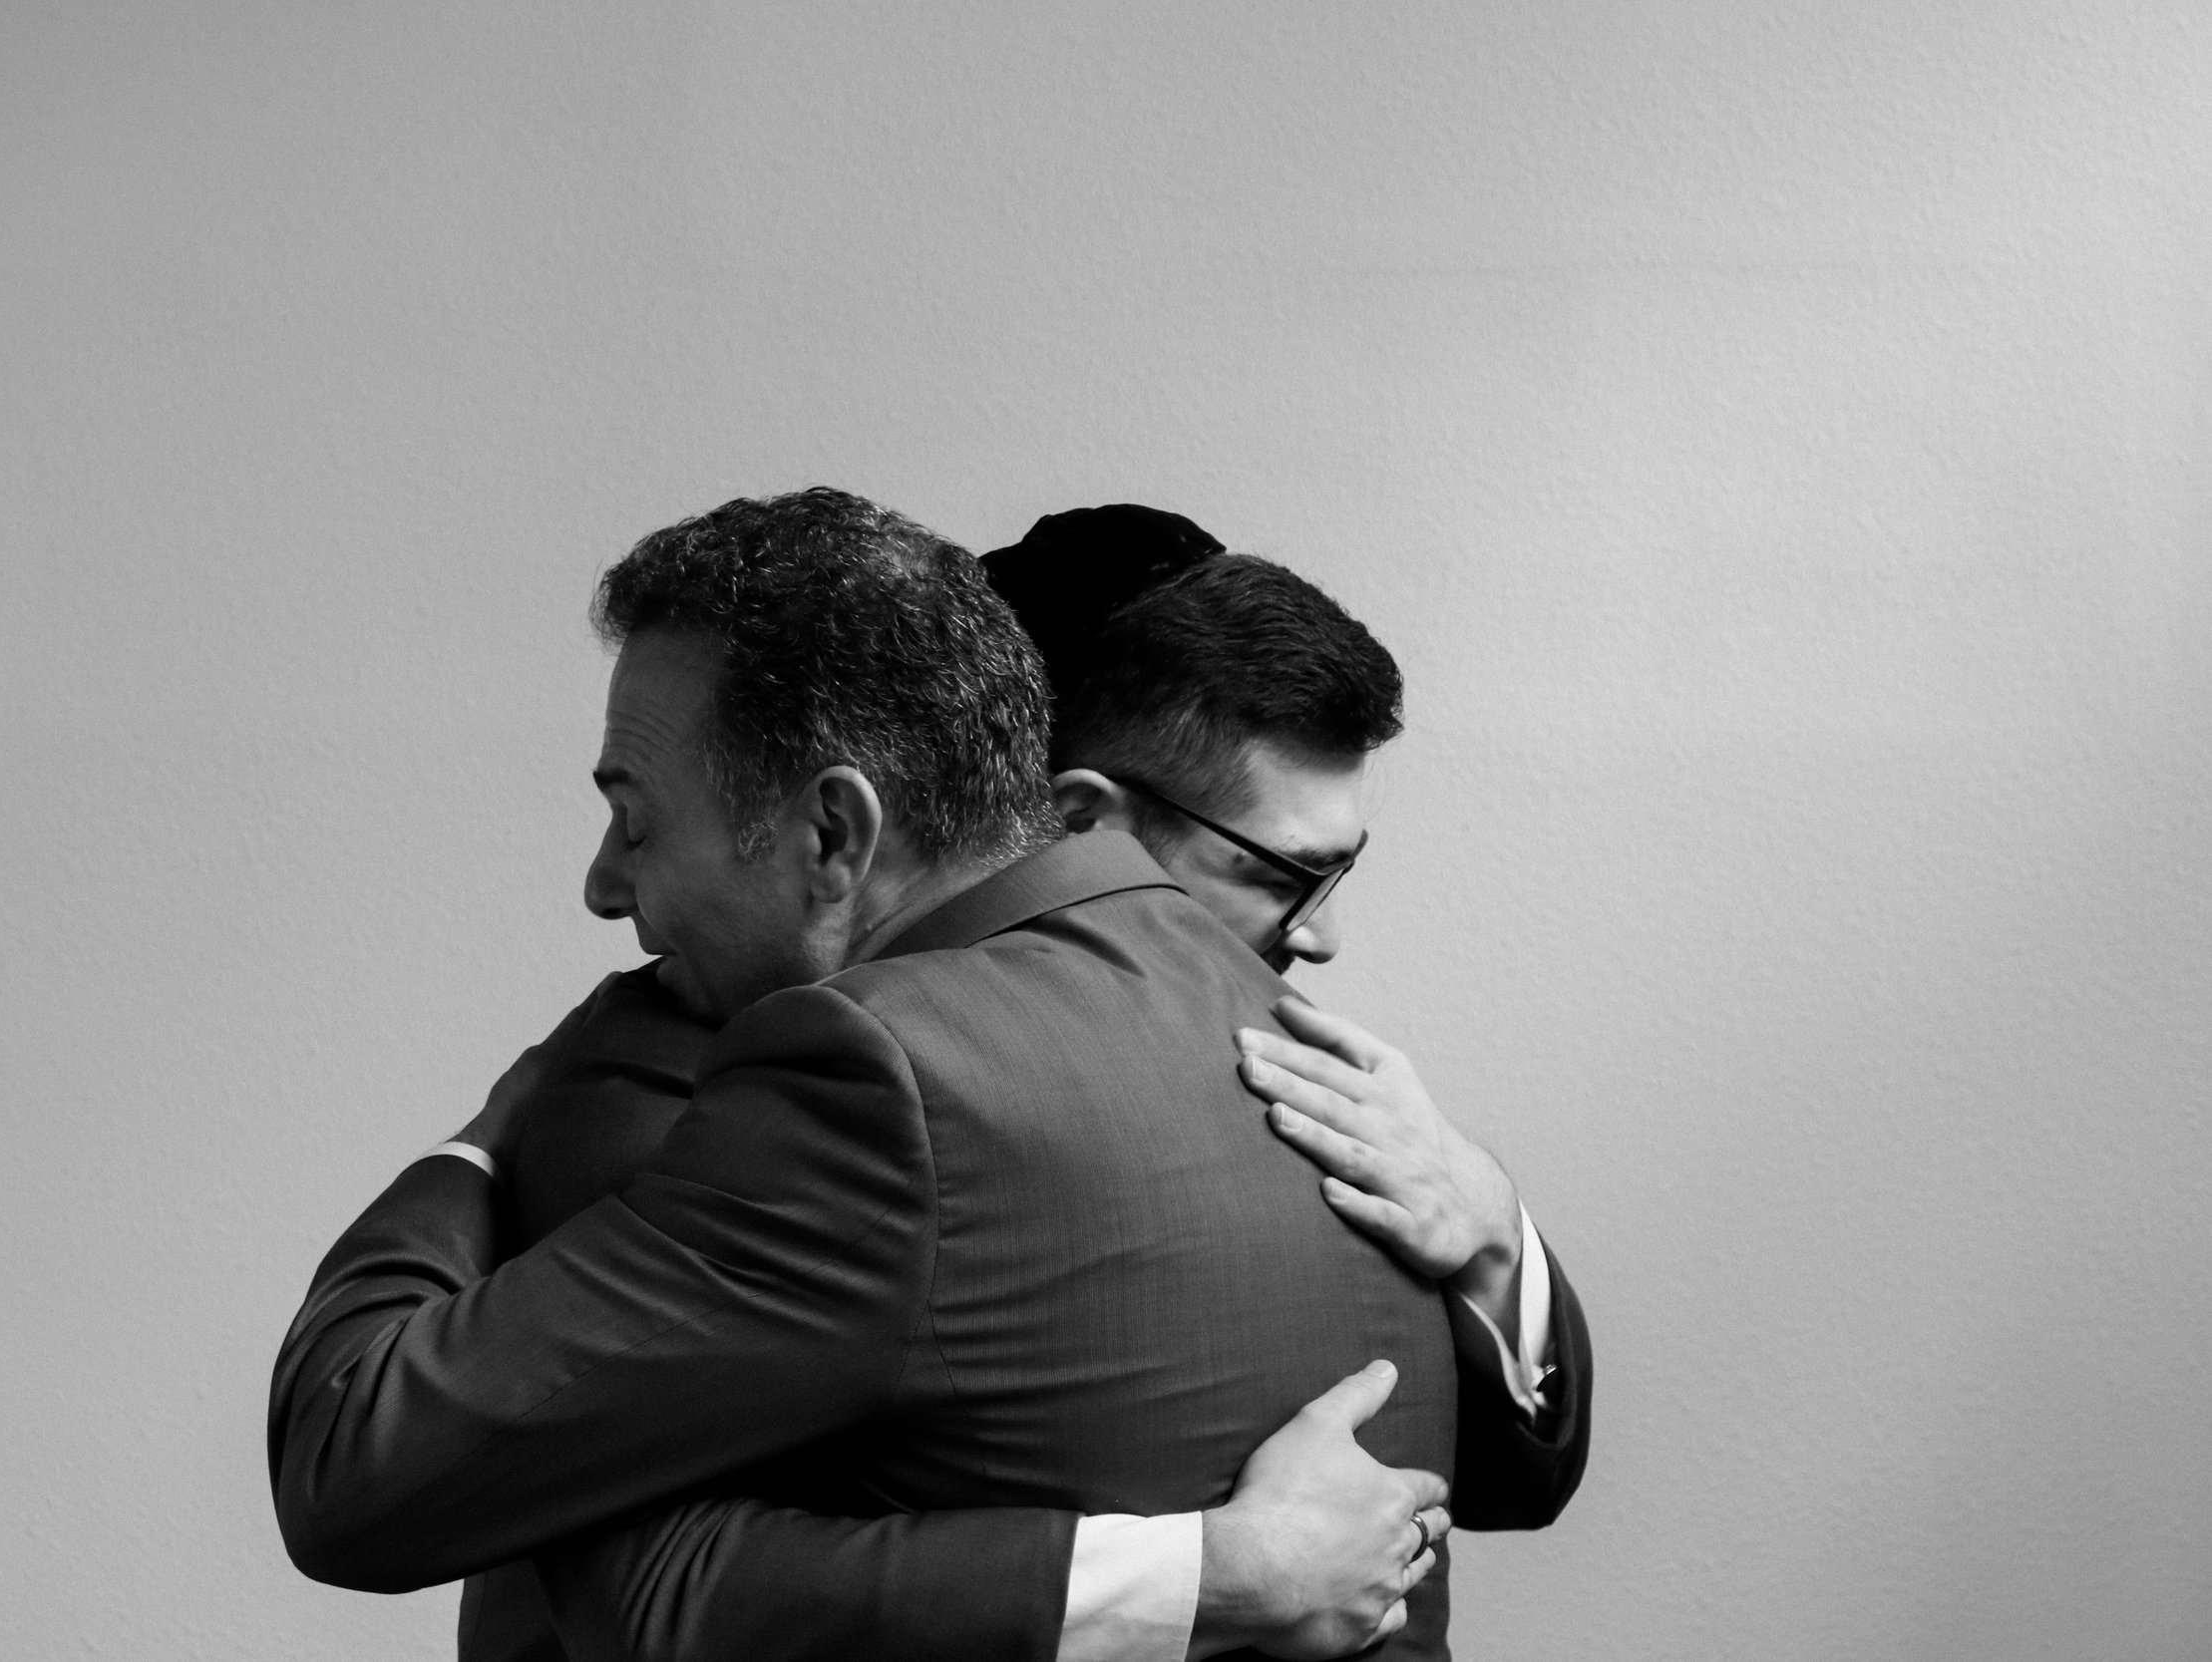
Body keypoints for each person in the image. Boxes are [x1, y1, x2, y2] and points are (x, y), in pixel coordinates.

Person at [269, 492, 1590, 1662]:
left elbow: (423, 1493)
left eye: (635, 821)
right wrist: (1209, 1574)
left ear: (834, 832)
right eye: (1282, 871)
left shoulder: (854, 1072)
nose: (605, 887)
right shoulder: (1284, 1056)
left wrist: (491, 1134)